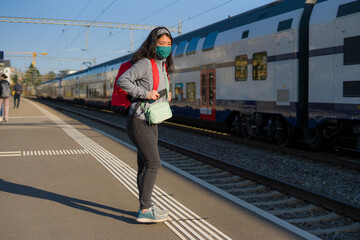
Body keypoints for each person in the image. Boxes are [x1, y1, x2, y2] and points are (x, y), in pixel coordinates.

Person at [117, 27, 174, 223]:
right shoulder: (145, 63)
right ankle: (145, 209)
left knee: (144, 165)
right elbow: (122, 80)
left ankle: (146, 205)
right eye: (161, 44)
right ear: (153, 44)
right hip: (139, 120)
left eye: (168, 44)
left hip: (151, 119)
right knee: (154, 164)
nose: (166, 47)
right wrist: (145, 94)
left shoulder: (162, 64)